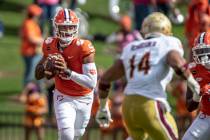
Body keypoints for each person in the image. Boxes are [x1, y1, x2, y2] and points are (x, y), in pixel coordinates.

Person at [95, 12, 200, 140]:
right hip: (150, 103)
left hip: (128, 106)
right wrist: (193, 82)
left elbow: (105, 78)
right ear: (166, 29)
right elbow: (176, 62)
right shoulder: (168, 42)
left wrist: (103, 107)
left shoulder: (131, 47)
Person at [35, 8, 97, 140]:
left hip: (84, 97)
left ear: (76, 27)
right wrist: (45, 67)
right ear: (56, 27)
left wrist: (67, 72)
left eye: (70, 27)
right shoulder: (49, 44)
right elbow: (38, 75)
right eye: (64, 27)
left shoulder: (83, 47)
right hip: (63, 95)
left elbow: (91, 83)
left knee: (77, 134)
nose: (68, 31)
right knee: (67, 133)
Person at [182, 31, 210, 140]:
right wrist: (197, 95)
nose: (203, 58)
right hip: (207, 115)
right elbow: (190, 107)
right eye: (200, 52)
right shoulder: (194, 70)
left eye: (206, 52)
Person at [20, 4, 44, 87]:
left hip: (33, 52)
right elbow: (31, 39)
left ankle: (33, 91)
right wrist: (43, 40)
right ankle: (27, 93)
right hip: (30, 52)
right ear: (34, 14)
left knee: (33, 72)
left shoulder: (33, 23)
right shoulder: (28, 24)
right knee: (30, 74)